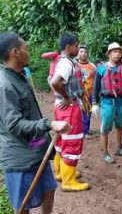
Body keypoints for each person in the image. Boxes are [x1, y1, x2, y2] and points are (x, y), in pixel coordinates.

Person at [0, 32, 71, 214]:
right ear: (15, 52)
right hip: (20, 157)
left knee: (49, 189)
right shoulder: (5, 85)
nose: (28, 52)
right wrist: (49, 124)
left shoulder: (19, 76)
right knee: (23, 205)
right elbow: (14, 125)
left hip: (35, 149)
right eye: (25, 48)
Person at [51, 33, 90, 191]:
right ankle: (68, 181)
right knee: (72, 141)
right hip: (69, 108)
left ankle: (62, 173)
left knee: (62, 139)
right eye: (75, 45)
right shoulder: (66, 63)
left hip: (61, 106)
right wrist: (67, 98)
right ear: (68, 47)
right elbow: (55, 82)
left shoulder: (62, 61)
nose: (78, 47)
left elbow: (51, 80)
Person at [91, 42, 122, 164]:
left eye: (119, 52)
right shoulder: (102, 68)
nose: (117, 54)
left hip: (121, 101)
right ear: (109, 54)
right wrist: (95, 103)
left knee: (119, 125)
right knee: (105, 128)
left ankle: (119, 148)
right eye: (114, 51)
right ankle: (105, 153)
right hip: (107, 102)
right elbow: (96, 87)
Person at [76, 45, 96, 138]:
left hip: (89, 94)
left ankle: (86, 131)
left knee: (88, 112)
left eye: (85, 52)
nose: (83, 54)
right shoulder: (74, 65)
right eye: (81, 51)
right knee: (78, 113)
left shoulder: (92, 66)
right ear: (77, 53)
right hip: (78, 95)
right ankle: (78, 131)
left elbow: (95, 79)